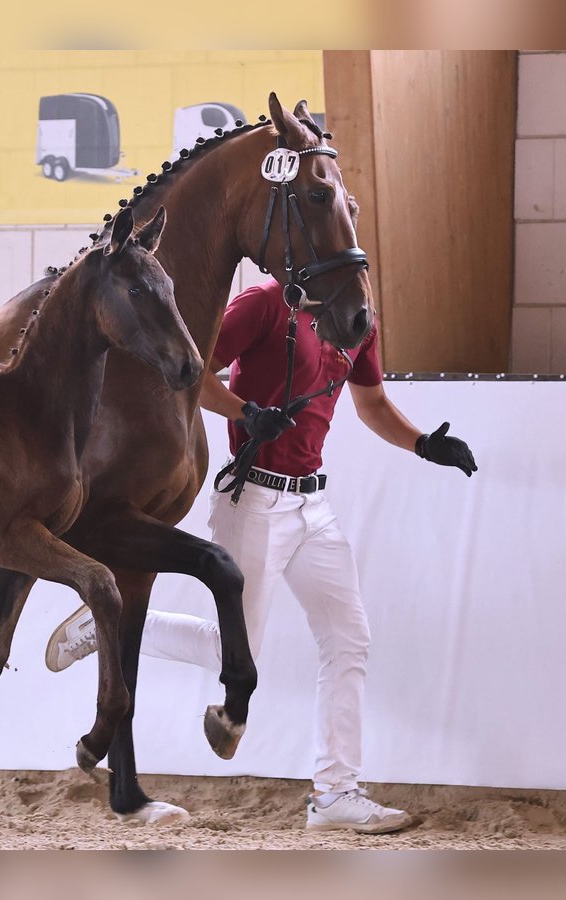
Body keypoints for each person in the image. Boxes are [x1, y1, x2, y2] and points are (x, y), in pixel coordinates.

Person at [45, 277, 477, 834]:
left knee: (349, 639)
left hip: (313, 505)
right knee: (230, 648)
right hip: (254, 497)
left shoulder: (359, 320)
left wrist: (422, 444)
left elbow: (371, 402)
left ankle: (335, 793)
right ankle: (108, 623)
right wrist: (246, 412)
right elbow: (193, 376)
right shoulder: (266, 303)